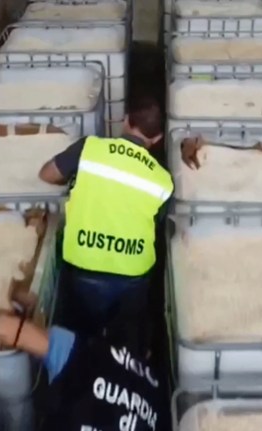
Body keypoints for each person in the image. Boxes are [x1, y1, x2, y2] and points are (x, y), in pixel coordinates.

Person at [38, 96, 173, 356]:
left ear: (125, 122)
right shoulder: (163, 180)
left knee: (77, 341)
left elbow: (47, 174)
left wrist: (74, 182)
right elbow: (154, 223)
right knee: (126, 347)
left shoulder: (89, 148)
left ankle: (78, 378)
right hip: (132, 276)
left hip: (83, 266)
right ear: (157, 140)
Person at [0, 310, 168, 431]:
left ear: (104, 335)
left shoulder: (88, 351)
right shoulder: (160, 391)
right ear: (148, 354)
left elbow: (6, 329)